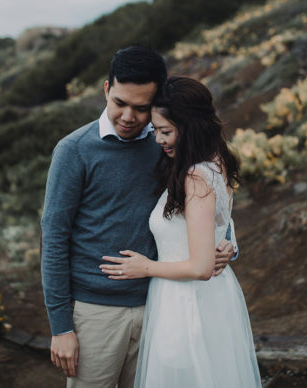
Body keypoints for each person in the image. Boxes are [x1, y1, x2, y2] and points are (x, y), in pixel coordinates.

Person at [41, 47, 236, 387]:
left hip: (161, 305)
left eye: (141, 107)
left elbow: (207, 203)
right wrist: (61, 327)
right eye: (119, 102)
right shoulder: (74, 151)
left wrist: (229, 245)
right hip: (95, 312)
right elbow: (54, 238)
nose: (128, 116)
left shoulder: (167, 143)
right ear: (106, 90)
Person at [100, 76, 262, 387]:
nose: (158, 139)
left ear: (189, 128)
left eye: (165, 131)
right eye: (156, 130)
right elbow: (220, 221)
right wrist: (229, 243)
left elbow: (201, 268)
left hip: (189, 301)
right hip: (204, 297)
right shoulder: (215, 161)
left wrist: (145, 267)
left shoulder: (196, 176)